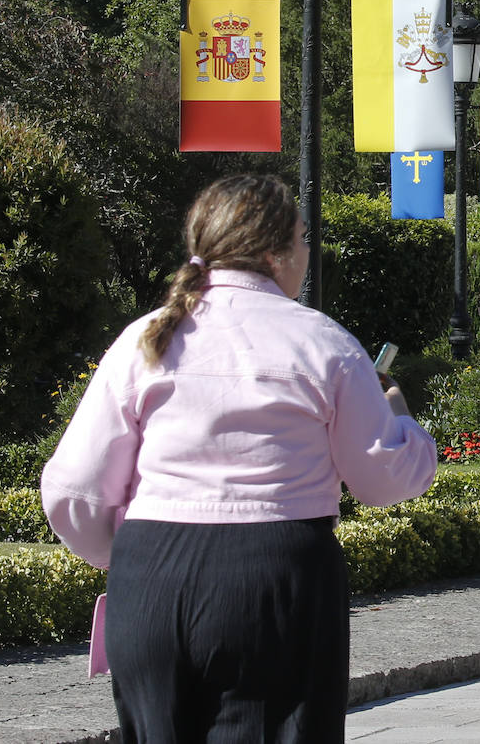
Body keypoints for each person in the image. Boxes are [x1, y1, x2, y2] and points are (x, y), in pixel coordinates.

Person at [40, 174, 438, 742]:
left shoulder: (144, 338)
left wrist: (128, 554)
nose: (307, 254)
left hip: (151, 573)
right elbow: (381, 477)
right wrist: (403, 420)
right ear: (276, 253)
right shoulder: (322, 342)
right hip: (275, 572)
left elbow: (74, 487)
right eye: (304, 240)